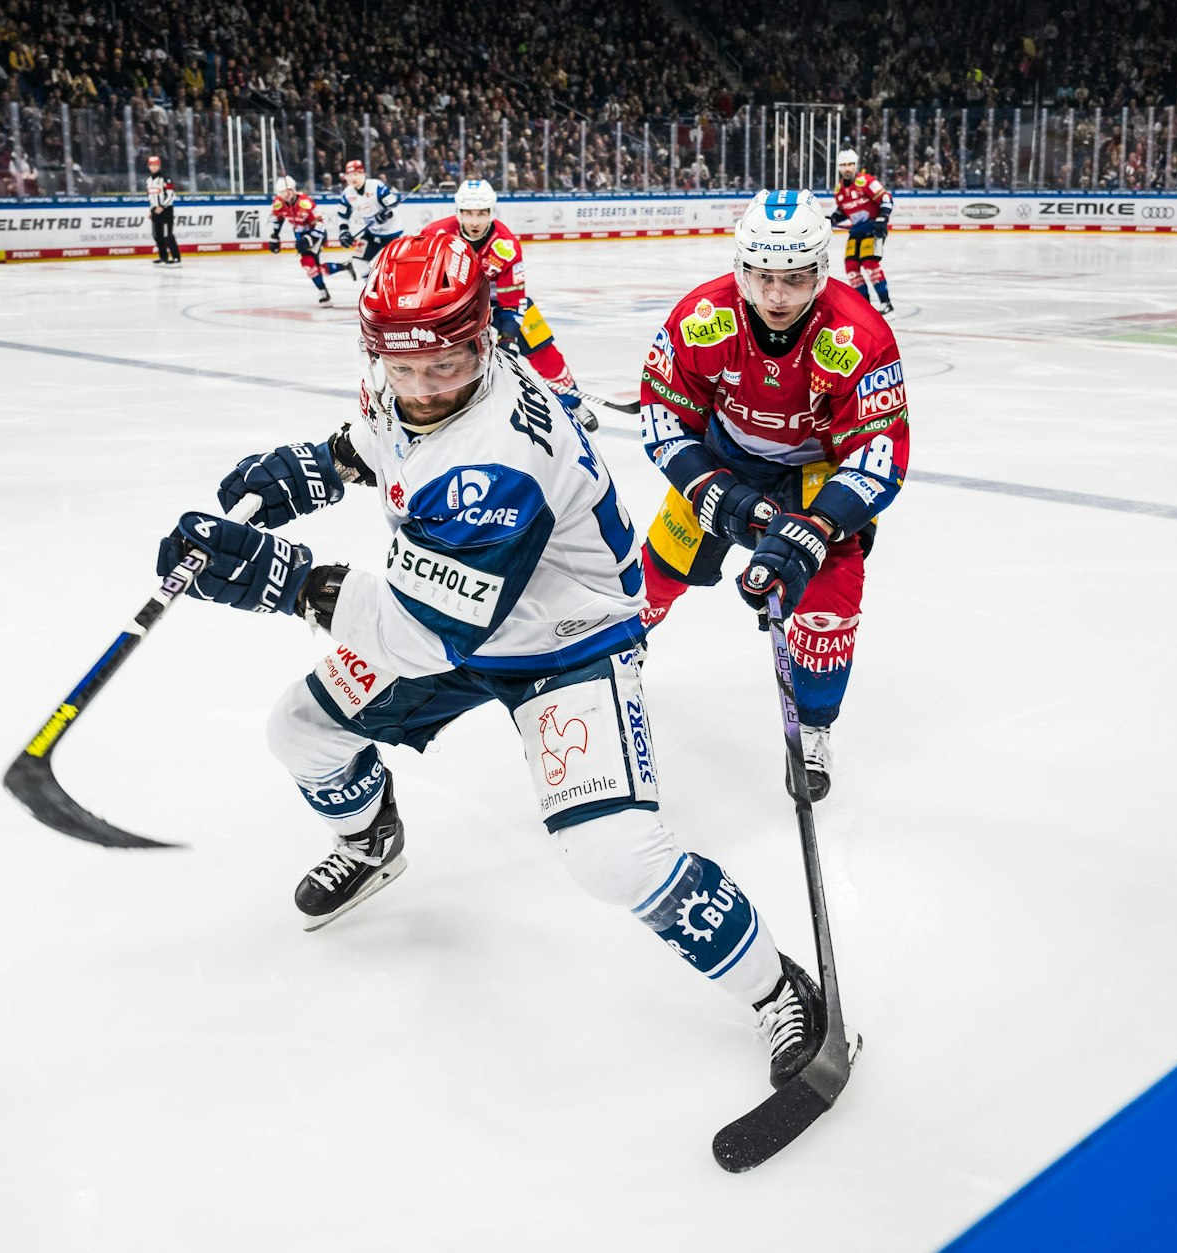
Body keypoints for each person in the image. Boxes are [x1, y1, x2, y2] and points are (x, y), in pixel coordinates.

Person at [153, 232, 833, 1096]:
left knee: (612, 856)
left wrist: (282, 579)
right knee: (301, 729)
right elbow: (385, 430)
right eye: (405, 369)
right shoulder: (418, 358)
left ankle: (779, 989)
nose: (425, 387)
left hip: (565, 644)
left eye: (446, 366)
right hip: (453, 605)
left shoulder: (500, 460)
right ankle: (372, 841)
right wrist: (318, 467)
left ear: (483, 338)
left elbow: (425, 637)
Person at [635, 190, 909, 800]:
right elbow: (661, 421)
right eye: (762, 277)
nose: (777, 296)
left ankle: (811, 728)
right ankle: (620, 654)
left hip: (815, 472)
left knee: (832, 588)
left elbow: (877, 453)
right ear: (741, 268)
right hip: (723, 458)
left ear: (822, 270)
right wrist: (712, 490)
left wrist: (823, 525)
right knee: (658, 567)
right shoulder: (699, 318)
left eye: (795, 277)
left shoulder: (861, 334)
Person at [421, 178, 599, 431]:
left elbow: (513, 301)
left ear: (491, 212)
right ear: (458, 212)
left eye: (481, 213)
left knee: (538, 341)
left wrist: (508, 337)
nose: (474, 221)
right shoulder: (435, 235)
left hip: (495, 302)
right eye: (468, 213)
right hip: (455, 305)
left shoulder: (506, 246)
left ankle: (571, 401)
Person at [829, 149, 895, 314]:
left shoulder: (866, 181)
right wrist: (832, 219)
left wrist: (883, 218)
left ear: (856, 165)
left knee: (870, 264)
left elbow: (886, 198)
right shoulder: (839, 190)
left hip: (873, 228)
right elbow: (843, 210)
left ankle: (886, 304)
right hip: (856, 231)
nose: (847, 168)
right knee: (851, 266)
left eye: (850, 164)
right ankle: (865, 308)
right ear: (838, 167)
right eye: (843, 165)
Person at [267, 174, 351, 303]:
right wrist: (275, 237)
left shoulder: (305, 203)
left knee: (308, 264)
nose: (286, 194)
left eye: (289, 190)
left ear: (293, 189)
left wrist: (309, 240)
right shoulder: (278, 203)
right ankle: (344, 267)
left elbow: (320, 224)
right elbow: (278, 219)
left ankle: (324, 293)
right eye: (283, 192)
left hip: (315, 235)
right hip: (300, 236)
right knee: (314, 268)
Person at [333, 158, 402, 282]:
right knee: (358, 260)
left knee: (397, 266)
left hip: (391, 233)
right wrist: (344, 231)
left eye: (356, 174)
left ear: (363, 174)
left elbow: (392, 203)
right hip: (371, 232)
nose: (353, 177)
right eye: (349, 175)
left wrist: (385, 214)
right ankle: (373, 288)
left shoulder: (376, 186)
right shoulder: (347, 193)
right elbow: (342, 215)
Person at [146, 154, 179, 264]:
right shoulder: (149, 180)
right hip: (155, 210)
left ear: (159, 165)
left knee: (167, 235)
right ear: (148, 166)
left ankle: (176, 257)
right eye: (151, 165)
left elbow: (171, 195)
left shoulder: (165, 178)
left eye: (156, 165)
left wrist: (163, 206)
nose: (154, 167)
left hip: (166, 210)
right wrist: (151, 209)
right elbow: (150, 196)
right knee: (157, 235)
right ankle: (163, 257)